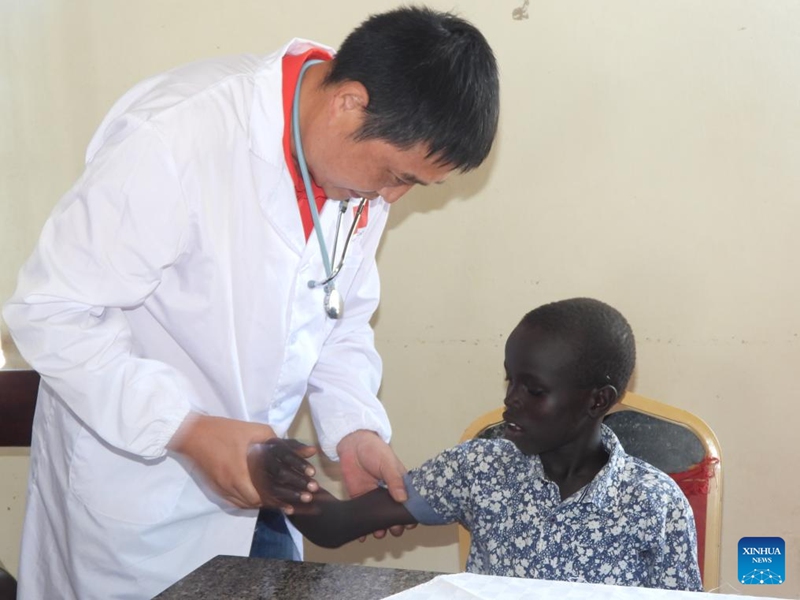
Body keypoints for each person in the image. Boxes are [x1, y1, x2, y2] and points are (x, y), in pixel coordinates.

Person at [2, 6, 499, 599]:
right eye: (396, 175)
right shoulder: (176, 137)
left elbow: (340, 314)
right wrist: (184, 428)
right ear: (349, 104)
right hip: (137, 494)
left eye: (413, 184)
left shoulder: (352, 173)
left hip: (262, 492)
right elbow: (51, 313)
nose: (391, 197)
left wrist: (354, 426)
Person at [263, 298, 703, 591]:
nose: (510, 399)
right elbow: (335, 526)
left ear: (597, 401)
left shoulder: (653, 504)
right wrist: (281, 476)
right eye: (510, 379)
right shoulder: (481, 470)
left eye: (533, 390)